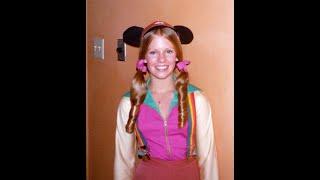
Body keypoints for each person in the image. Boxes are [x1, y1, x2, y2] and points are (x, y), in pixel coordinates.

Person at [114, 20, 219, 180]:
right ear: (144, 58)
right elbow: (123, 161)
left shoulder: (196, 99)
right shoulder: (129, 102)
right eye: (153, 52)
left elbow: (208, 159)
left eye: (168, 51)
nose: (161, 59)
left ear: (177, 56)